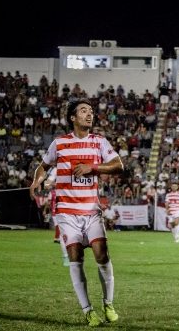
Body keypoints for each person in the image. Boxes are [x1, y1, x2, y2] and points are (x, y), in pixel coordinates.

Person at [29, 98, 124, 327]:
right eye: (83, 111)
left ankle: (108, 303)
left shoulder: (99, 142)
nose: (89, 114)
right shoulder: (59, 143)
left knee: (102, 255)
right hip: (67, 213)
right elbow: (44, 166)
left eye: (91, 111)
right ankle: (88, 310)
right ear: (73, 117)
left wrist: (94, 167)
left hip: (91, 210)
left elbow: (119, 166)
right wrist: (36, 181)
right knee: (76, 258)